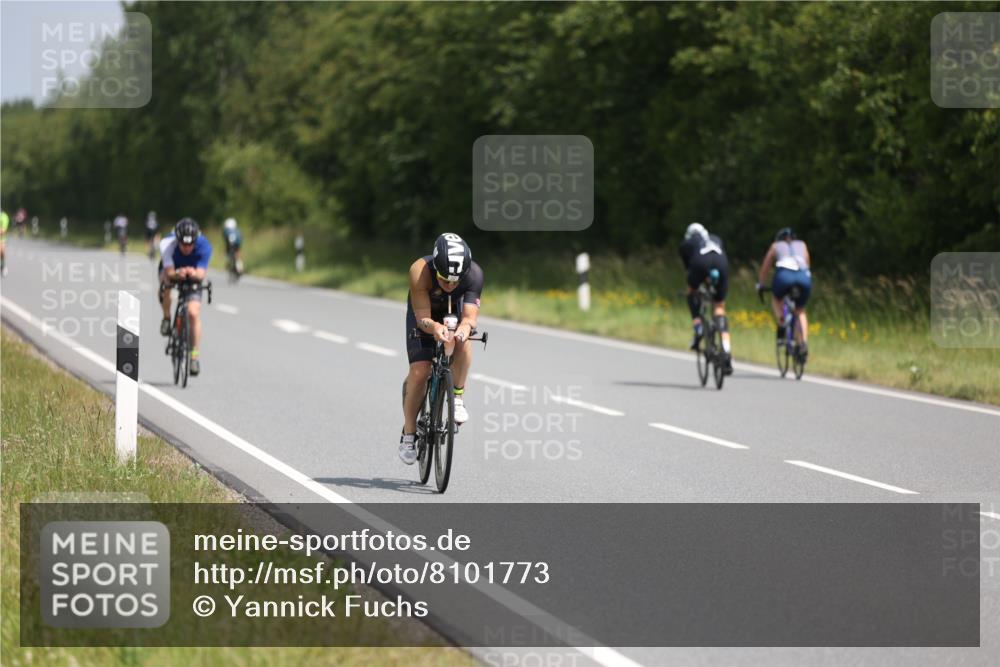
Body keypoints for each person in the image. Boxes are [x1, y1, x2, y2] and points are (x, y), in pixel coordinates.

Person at [399, 233, 483, 465]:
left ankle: (456, 398)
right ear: (436, 268)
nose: (450, 286)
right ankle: (408, 435)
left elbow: (469, 318)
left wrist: (463, 330)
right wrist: (435, 328)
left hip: (454, 312)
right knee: (420, 371)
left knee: (464, 342)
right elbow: (422, 318)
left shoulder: (474, 274)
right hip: (424, 313)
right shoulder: (420, 270)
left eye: (456, 281)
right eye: (445, 280)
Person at [158, 218, 213, 375]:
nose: (187, 248)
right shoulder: (167, 244)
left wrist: (192, 273)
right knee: (165, 283)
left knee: (193, 313)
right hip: (173, 270)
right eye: (183, 244)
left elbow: (201, 274)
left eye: (190, 245)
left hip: (193, 275)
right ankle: (167, 318)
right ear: (177, 240)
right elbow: (168, 272)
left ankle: (194, 356)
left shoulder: (204, 246)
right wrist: (177, 273)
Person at [679, 222, 732, 374]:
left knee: (691, 292)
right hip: (721, 263)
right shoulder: (715, 238)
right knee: (719, 306)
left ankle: (698, 327)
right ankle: (726, 351)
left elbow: (689, 267)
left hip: (700, 264)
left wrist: (694, 285)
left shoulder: (687, 243)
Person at [757, 227, 812, 360]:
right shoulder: (802, 245)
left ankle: (782, 321)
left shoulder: (775, 246)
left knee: (777, 299)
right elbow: (807, 264)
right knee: (800, 310)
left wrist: (761, 284)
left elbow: (766, 267)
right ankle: (803, 342)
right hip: (803, 276)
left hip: (784, 276)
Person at [0, 209, 9, 276]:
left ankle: (3, 266)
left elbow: (3, 231)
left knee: (2, 251)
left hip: (1, 238)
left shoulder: (4, 216)